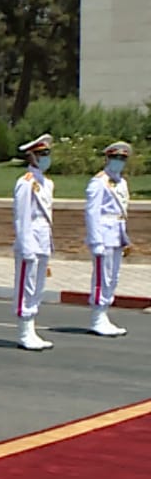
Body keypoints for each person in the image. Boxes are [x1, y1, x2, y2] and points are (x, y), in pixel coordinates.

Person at [85, 141, 132, 337]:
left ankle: (104, 312)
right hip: (104, 235)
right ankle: (97, 316)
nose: (119, 161)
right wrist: (95, 240)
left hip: (117, 234)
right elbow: (92, 212)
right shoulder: (99, 182)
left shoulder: (121, 182)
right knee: (102, 276)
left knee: (113, 277)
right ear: (107, 158)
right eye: (115, 158)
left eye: (122, 158)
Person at [13, 134, 55, 351]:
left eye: (47, 153)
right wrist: (26, 246)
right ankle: (24, 330)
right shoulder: (26, 183)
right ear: (31, 157)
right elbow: (22, 217)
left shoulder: (47, 183)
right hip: (29, 239)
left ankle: (32, 328)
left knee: (38, 285)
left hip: (43, 239)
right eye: (41, 154)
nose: (45, 157)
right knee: (26, 285)